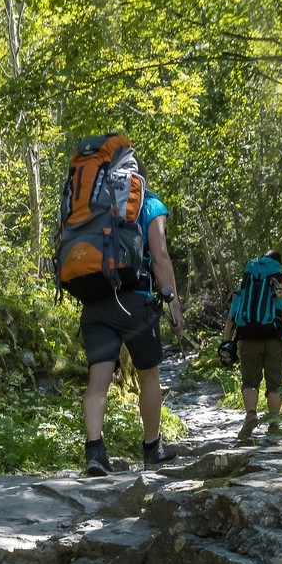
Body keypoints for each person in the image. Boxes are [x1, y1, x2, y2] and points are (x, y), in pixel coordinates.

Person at [81, 175, 185, 476]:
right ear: (138, 176)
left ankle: (95, 453)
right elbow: (161, 257)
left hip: (95, 303)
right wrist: (174, 305)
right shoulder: (148, 202)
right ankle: (153, 448)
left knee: (98, 379)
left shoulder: (90, 205)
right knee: (148, 376)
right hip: (136, 302)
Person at [219, 249, 282, 442]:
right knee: (275, 384)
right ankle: (274, 425)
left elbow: (231, 318)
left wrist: (228, 344)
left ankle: (251, 415)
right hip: (275, 340)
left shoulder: (248, 283)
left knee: (250, 383)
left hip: (248, 339)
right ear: (279, 265)